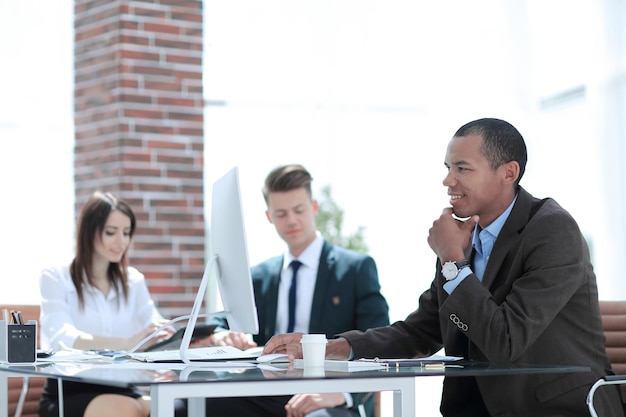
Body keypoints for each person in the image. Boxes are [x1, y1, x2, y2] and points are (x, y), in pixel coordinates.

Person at [263, 118, 625, 417]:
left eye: (462, 168)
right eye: (449, 167)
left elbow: (505, 341)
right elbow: (419, 331)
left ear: (508, 172)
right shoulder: (465, 236)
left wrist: (453, 260)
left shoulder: (551, 230)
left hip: (553, 409)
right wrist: (330, 347)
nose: (448, 180)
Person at [204, 164, 390, 417]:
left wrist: (342, 394)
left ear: (313, 208)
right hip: (265, 394)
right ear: (269, 216)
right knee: (192, 405)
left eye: (299, 210)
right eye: (281, 213)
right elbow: (220, 319)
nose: (291, 220)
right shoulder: (259, 276)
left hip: (329, 397)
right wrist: (220, 333)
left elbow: (379, 345)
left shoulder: (355, 269)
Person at [38, 191, 184, 417]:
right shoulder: (56, 277)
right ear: (88, 232)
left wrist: (173, 338)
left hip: (124, 388)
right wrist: (126, 344)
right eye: (111, 232)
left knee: (177, 408)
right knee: (124, 410)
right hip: (69, 390)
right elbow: (62, 337)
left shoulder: (133, 280)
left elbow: (157, 326)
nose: (121, 242)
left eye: (126, 233)